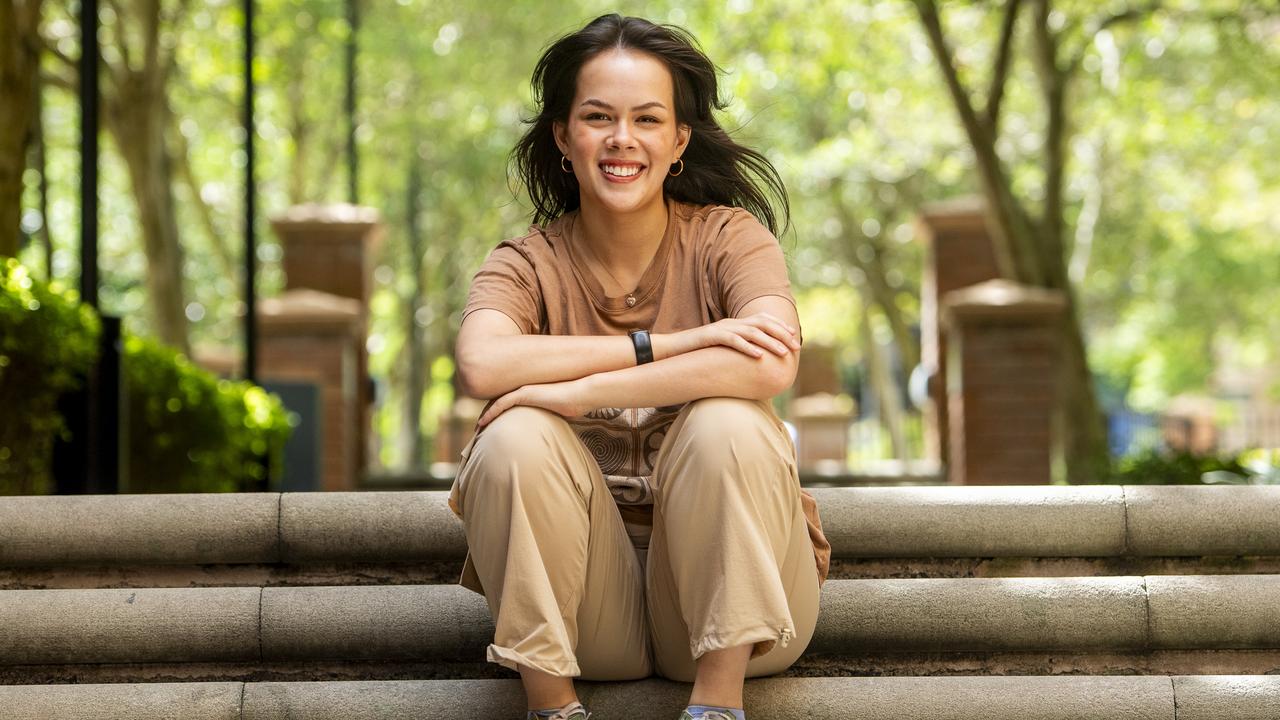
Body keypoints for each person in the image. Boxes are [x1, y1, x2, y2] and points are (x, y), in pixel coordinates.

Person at [447, 13, 831, 720]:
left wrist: (579, 391)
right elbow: (482, 364)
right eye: (598, 117)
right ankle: (552, 708)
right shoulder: (526, 264)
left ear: (678, 139)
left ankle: (717, 708)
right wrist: (675, 344)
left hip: (743, 612)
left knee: (727, 423)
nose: (622, 140)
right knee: (512, 438)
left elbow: (771, 360)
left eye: (647, 119)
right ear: (564, 136)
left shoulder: (727, 239)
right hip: (586, 612)